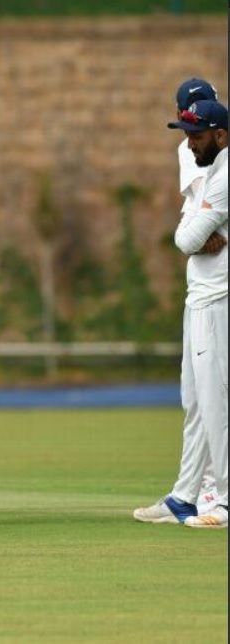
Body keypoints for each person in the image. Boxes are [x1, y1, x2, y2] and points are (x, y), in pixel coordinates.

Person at [135, 99, 228, 529]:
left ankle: (223, 499)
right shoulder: (210, 174)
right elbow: (186, 234)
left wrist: (195, 226)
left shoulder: (224, 176)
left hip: (218, 300)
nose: (189, 144)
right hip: (200, 299)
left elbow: (187, 239)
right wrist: (195, 225)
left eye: (196, 135)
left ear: (220, 135)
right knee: (196, 401)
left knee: (217, 402)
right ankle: (189, 496)